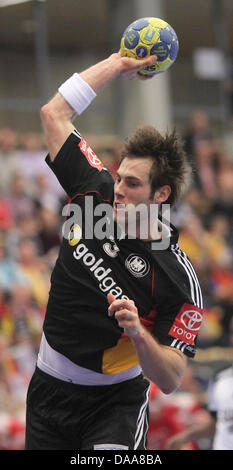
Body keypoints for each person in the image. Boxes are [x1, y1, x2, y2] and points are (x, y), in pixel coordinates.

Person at [25, 51, 204, 450]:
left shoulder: (177, 275)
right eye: (119, 177)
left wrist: (139, 335)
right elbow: (54, 113)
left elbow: (172, 378)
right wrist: (119, 64)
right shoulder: (94, 190)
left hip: (113, 404)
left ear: (162, 194)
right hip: (47, 389)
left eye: (133, 185)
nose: (119, 190)